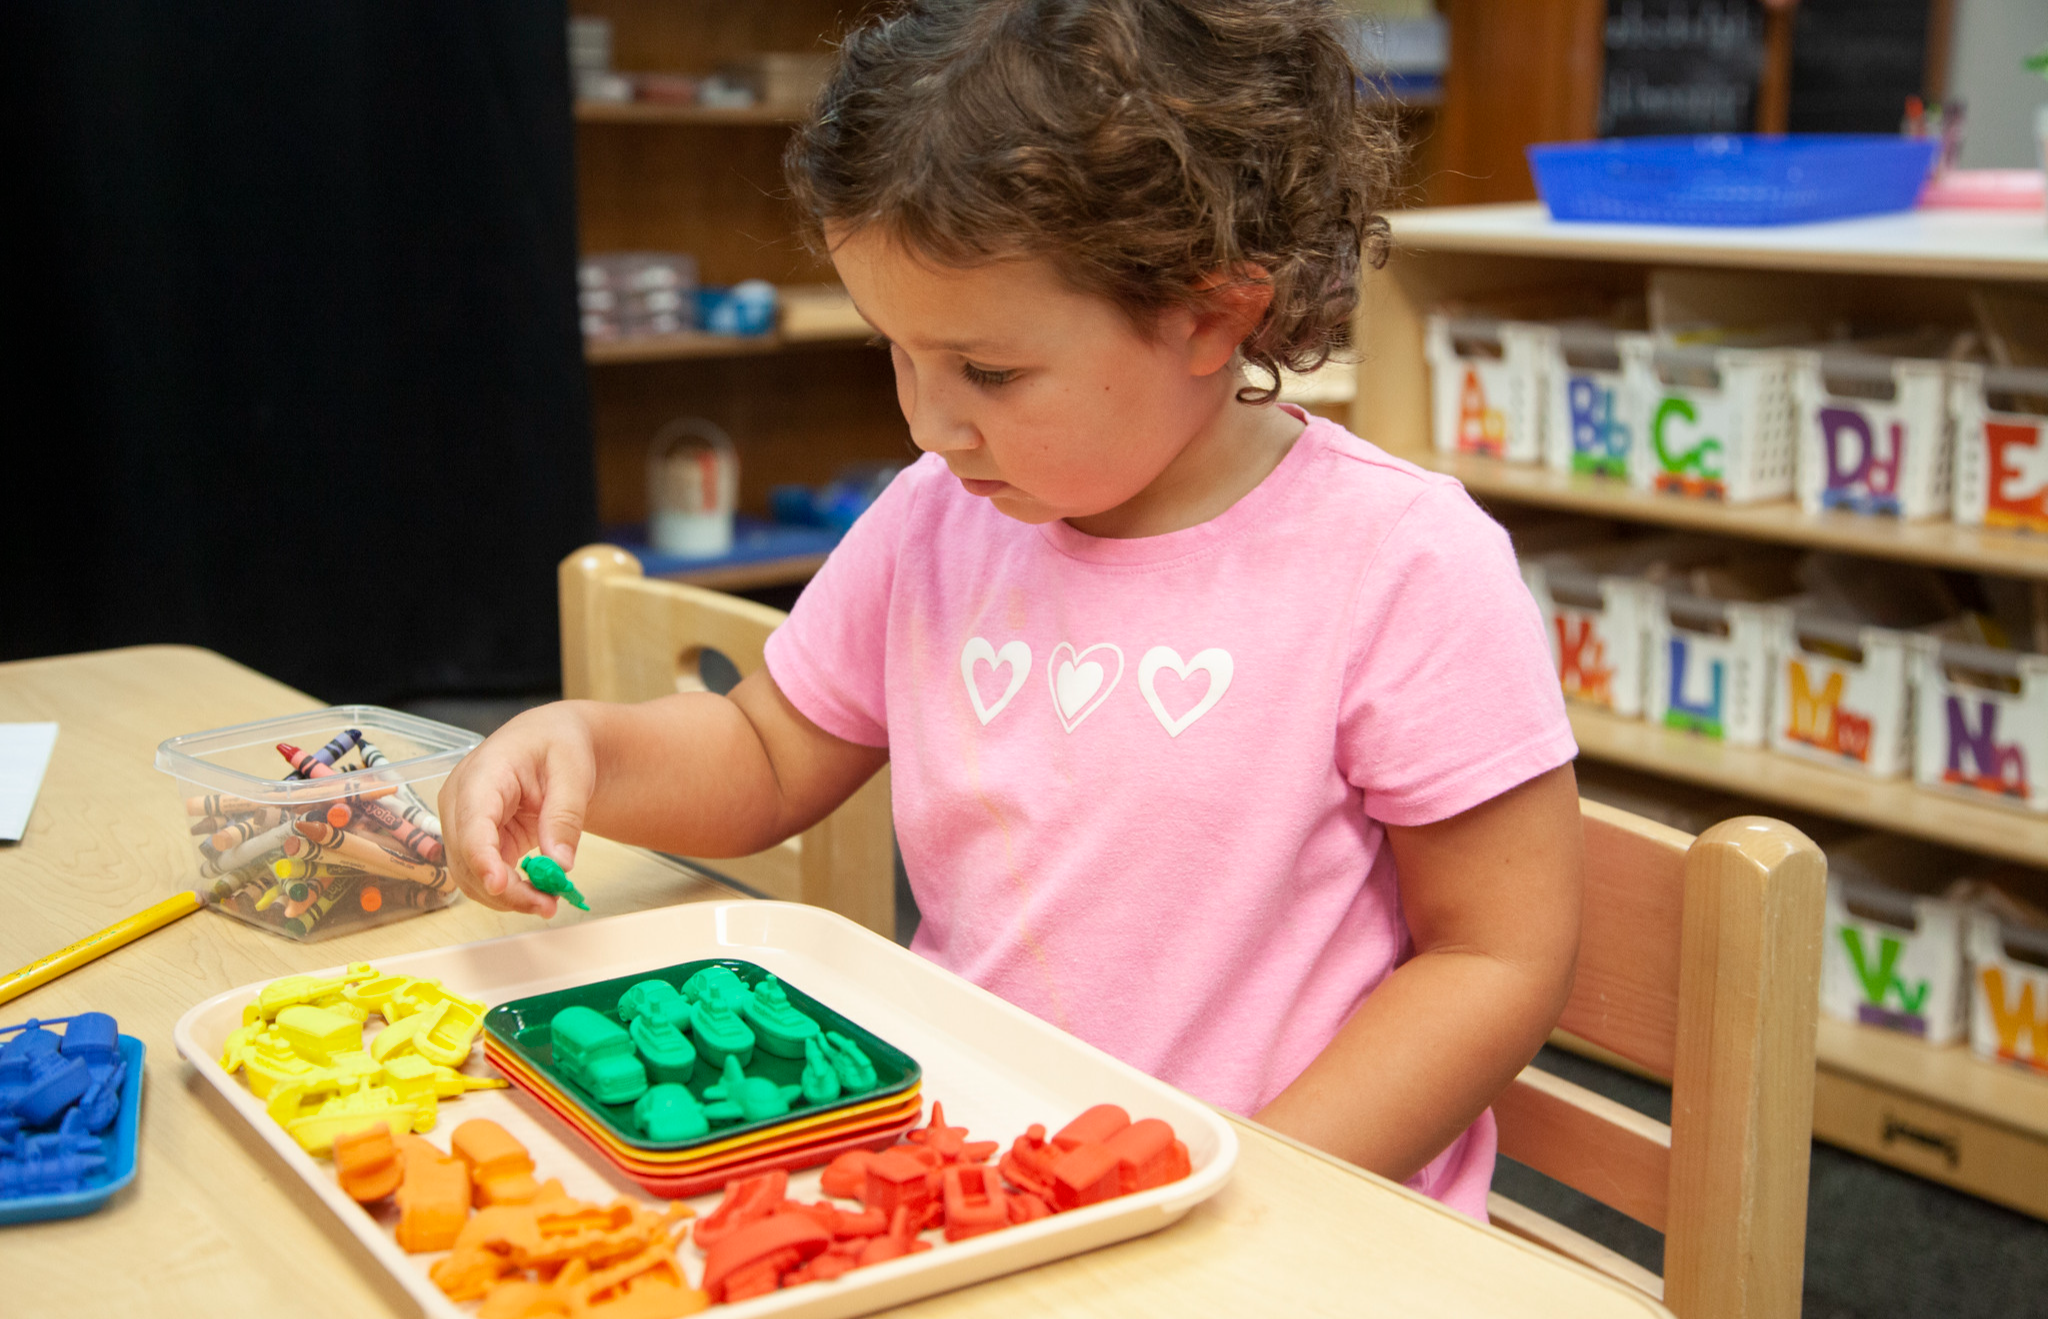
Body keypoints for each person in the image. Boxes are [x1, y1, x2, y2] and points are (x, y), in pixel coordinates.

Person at [442, 0, 1581, 1219]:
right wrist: (584, 747)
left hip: (1285, 1216)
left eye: (986, 372)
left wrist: (1248, 1188)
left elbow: (1491, 958)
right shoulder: (939, 512)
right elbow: (767, 754)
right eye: (897, 351)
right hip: (980, 1176)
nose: (927, 424)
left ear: (1210, 314)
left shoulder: (1400, 562)